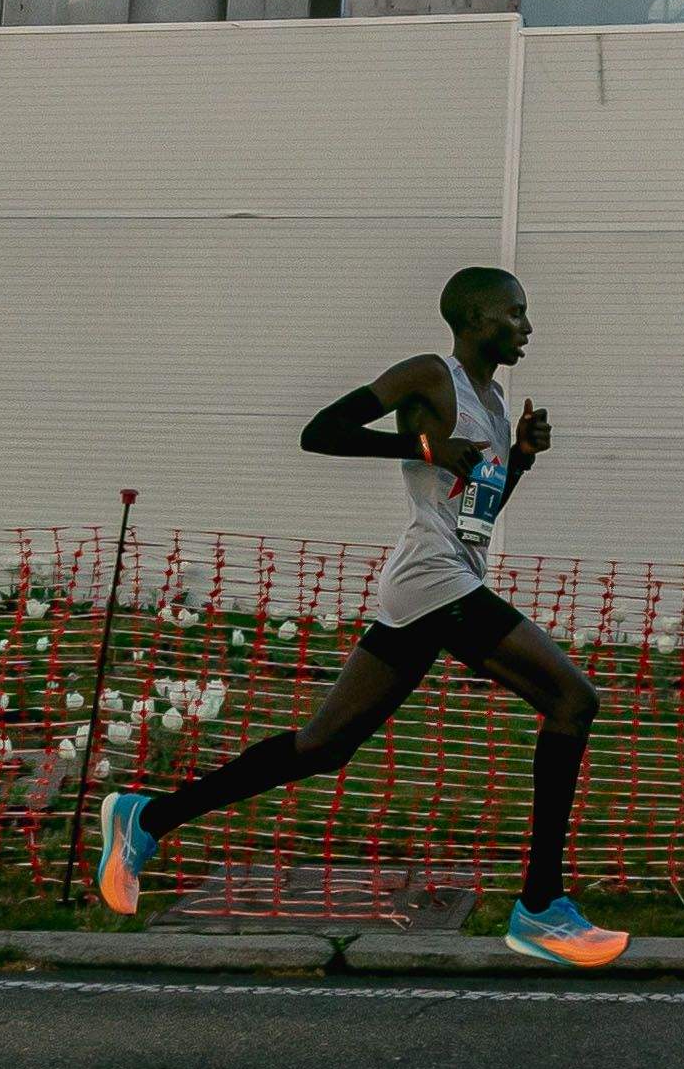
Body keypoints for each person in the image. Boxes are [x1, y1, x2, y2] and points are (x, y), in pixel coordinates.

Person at [97, 264, 623, 970]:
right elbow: (321, 432)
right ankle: (540, 906)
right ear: (473, 319)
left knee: (324, 747)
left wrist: (519, 458)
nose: (527, 327)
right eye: (514, 313)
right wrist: (419, 445)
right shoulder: (428, 376)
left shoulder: (494, 402)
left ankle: (147, 817)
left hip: (441, 574)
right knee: (571, 699)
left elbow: (476, 512)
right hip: (433, 578)